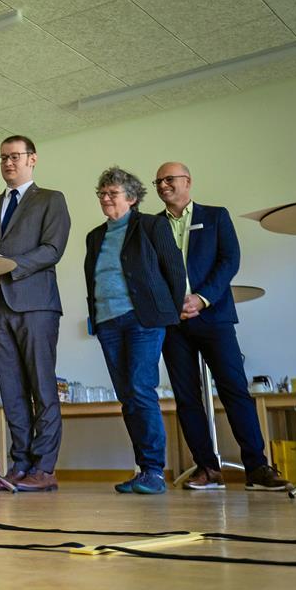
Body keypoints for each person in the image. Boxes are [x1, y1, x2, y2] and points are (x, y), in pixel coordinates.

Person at [154, 162, 291, 491]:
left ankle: (256, 468)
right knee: (187, 398)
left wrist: (202, 299)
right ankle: (207, 469)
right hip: (173, 324)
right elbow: (149, 271)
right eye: (158, 181)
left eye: (169, 179)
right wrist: (171, 305)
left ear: (188, 182)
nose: (163, 185)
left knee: (235, 391)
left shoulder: (216, 216)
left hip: (214, 317)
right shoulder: (151, 226)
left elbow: (229, 260)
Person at [0, 135, 70, 492]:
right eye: (3, 158)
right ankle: (20, 463)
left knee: (42, 386)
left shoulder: (51, 200)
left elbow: (52, 249)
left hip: (36, 304)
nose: (8, 163)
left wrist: (8, 265)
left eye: (15, 157)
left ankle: (45, 467)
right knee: (10, 390)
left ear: (32, 159)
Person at [85, 167, 185, 495]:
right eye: (101, 193)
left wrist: (166, 314)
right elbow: (93, 280)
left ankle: (155, 471)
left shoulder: (152, 225)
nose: (105, 198)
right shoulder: (95, 236)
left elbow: (173, 269)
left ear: (131, 197)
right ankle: (143, 468)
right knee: (127, 397)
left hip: (143, 320)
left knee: (142, 390)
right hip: (108, 322)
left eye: (111, 193)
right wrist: (95, 319)